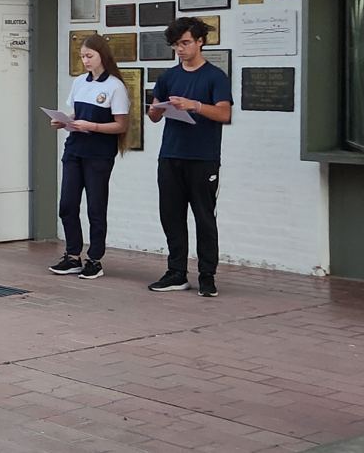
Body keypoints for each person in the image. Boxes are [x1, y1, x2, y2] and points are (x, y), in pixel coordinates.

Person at [147, 17, 233, 297]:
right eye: (176, 45)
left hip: (203, 157)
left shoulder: (215, 76)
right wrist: (157, 110)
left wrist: (194, 106)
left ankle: (207, 274)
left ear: (200, 41)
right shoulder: (168, 76)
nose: (180, 49)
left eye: (185, 43)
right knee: (171, 216)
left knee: (204, 217)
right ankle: (176, 272)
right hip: (171, 155)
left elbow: (224, 113)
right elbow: (153, 116)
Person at [49, 34, 130, 279]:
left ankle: (94, 258)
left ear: (102, 55)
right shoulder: (80, 82)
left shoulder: (114, 86)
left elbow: (121, 126)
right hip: (75, 149)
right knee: (67, 205)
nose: (85, 61)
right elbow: (76, 114)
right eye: (82, 56)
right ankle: (72, 255)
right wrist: (64, 122)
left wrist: (92, 127)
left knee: (95, 206)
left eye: (89, 56)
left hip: (98, 153)